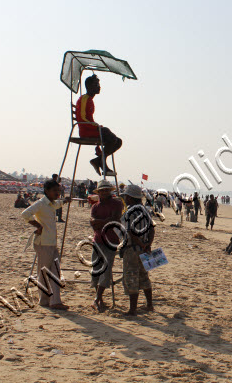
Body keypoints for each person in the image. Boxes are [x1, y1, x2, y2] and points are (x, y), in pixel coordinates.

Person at [21, 180, 71, 310]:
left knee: (55, 271)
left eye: (58, 191)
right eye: (55, 191)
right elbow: (25, 214)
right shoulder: (41, 204)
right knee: (44, 272)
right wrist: (38, 225)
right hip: (43, 243)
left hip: (51, 242)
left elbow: (56, 205)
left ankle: (54, 301)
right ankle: (44, 300)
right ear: (47, 191)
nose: (57, 193)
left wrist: (65, 201)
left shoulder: (51, 204)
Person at [75, 74, 122, 176]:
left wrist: (96, 127)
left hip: (91, 129)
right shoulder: (84, 99)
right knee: (108, 133)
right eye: (96, 84)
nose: (99, 87)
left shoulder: (90, 100)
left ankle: (99, 160)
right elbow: (82, 118)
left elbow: (89, 119)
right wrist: (96, 127)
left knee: (118, 142)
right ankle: (101, 162)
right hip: (85, 130)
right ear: (90, 86)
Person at [120, 184, 154, 316]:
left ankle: (132, 309)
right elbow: (152, 229)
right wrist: (147, 244)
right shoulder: (145, 211)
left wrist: (140, 243)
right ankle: (149, 305)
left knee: (132, 276)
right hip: (144, 248)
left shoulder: (130, 212)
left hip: (133, 249)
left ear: (130, 198)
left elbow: (131, 232)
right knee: (144, 276)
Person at [89, 180, 123, 312]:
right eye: (101, 191)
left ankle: (97, 298)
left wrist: (100, 222)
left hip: (111, 241)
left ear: (110, 191)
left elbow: (114, 220)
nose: (103, 193)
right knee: (96, 269)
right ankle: (99, 298)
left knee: (106, 269)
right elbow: (93, 223)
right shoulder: (95, 206)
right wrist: (105, 221)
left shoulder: (117, 203)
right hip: (98, 240)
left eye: (106, 190)